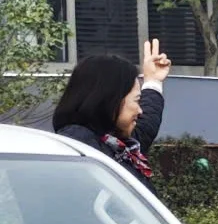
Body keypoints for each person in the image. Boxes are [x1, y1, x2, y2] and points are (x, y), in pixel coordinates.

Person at [52, 40, 172, 187]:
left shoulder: (110, 144)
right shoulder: (83, 154)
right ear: (110, 100)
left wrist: (153, 82)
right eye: (136, 100)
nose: (140, 111)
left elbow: (145, 127)